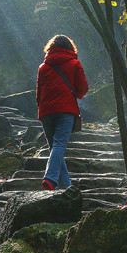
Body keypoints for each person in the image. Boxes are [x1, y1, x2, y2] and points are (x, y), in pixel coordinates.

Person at [36, 34, 88, 190]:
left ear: (50, 48)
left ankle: (66, 187)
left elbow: (38, 93)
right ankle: (50, 177)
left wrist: (42, 109)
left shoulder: (43, 67)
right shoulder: (74, 63)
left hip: (46, 112)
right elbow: (83, 88)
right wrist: (74, 96)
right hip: (65, 110)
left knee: (55, 148)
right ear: (70, 48)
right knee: (59, 145)